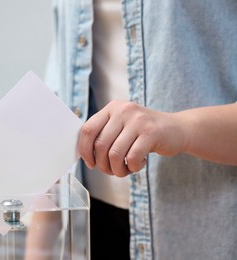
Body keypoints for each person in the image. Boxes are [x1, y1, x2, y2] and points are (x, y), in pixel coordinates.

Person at [43, 0, 237, 259]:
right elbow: (61, 93)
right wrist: (39, 249)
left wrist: (181, 127)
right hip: (91, 224)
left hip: (207, 232)